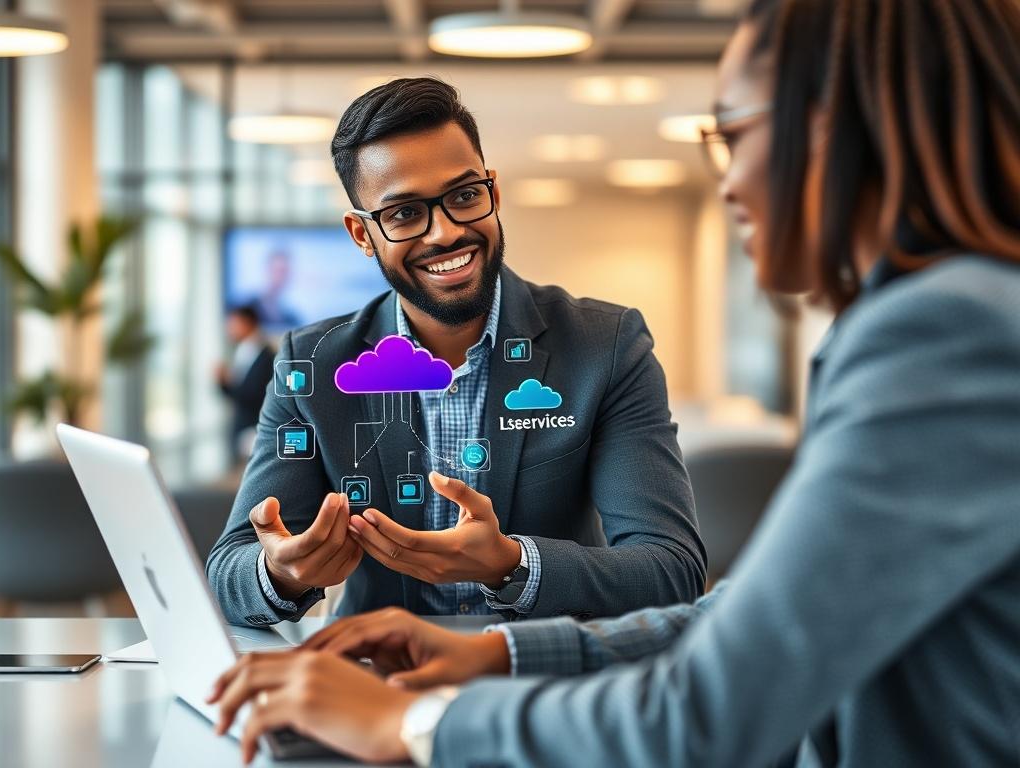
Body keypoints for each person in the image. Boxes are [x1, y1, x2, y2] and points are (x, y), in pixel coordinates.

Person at [207, 0, 1020, 764]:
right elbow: (732, 618)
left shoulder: (942, 335)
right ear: (364, 231)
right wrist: (493, 653)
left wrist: (413, 720)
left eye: (733, 133)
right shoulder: (944, 319)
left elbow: (703, 704)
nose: (727, 180)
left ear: (838, 131)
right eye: (407, 213)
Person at [206, 77, 706, 628]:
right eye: (403, 214)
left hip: (545, 682)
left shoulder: (604, 346)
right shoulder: (312, 362)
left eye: (465, 196)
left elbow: (671, 569)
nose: (446, 233)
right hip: (379, 680)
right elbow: (229, 570)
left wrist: (514, 565)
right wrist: (281, 572)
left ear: (492, 189)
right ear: (361, 233)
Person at [215, 304, 275, 463]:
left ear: (247, 322)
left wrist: (228, 382)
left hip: (255, 428)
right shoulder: (242, 350)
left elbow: (255, 394)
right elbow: (238, 394)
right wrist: (224, 383)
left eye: (233, 323)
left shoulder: (267, 355)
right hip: (243, 426)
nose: (229, 329)